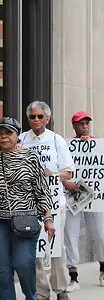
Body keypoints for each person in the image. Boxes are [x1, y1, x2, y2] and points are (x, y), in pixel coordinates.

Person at [0, 117, 54, 300]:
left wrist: (48, 218)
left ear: (17, 135)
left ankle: (32, 297)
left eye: (8, 133)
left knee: (23, 263)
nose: (4, 137)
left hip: (25, 219)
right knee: (2, 268)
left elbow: (42, 190)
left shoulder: (30, 157)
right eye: (0, 133)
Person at [19, 101, 74, 300]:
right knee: (34, 248)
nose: (36, 120)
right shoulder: (21, 139)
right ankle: (41, 291)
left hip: (54, 202)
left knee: (56, 247)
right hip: (29, 203)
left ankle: (61, 289)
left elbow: (68, 173)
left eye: (40, 116)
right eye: (32, 116)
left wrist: (53, 175)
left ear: (47, 119)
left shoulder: (56, 140)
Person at [63, 111, 104, 291]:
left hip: (94, 197)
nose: (85, 126)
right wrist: (67, 183)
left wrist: (91, 146)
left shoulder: (99, 145)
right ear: (74, 126)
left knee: (100, 235)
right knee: (70, 236)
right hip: (73, 196)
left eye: (87, 123)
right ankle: (74, 277)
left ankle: (103, 267)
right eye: (81, 123)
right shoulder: (67, 146)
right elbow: (62, 169)